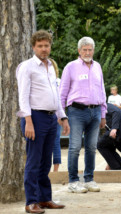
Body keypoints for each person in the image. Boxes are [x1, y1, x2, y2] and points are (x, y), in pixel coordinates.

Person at [16, 30, 70, 213]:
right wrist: (28, 121)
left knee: (46, 161)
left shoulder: (51, 67)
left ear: (50, 46)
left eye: (46, 45)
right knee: (33, 161)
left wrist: (63, 117)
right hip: (35, 118)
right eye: (40, 46)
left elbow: (56, 96)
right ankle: (31, 202)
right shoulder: (27, 67)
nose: (44, 49)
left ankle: (45, 198)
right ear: (33, 47)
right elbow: (23, 97)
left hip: (50, 118)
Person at [60, 37, 107, 193]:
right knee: (74, 147)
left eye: (90, 49)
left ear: (93, 50)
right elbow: (62, 93)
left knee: (92, 147)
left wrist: (103, 113)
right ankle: (73, 181)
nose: (87, 52)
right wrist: (61, 115)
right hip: (76, 112)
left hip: (95, 111)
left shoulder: (97, 67)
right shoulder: (71, 67)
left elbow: (102, 90)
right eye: (84, 49)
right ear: (79, 51)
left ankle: (89, 179)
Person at [97, 103, 121, 170]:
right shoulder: (104, 111)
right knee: (108, 145)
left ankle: (116, 167)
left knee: (100, 145)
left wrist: (114, 128)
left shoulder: (103, 105)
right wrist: (109, 162)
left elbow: (116, 112)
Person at [49, 58, 62, 172]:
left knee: (54, 141)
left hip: (55, 113)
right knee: (55, 141)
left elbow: (61, 99)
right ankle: (54, 169)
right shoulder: (59, 81)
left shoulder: (58, 81)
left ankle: (56, 168)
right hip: (55, 112)